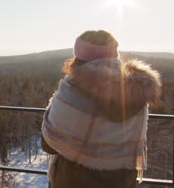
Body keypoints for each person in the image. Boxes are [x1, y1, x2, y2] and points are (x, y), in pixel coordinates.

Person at [41, 30, 162, 188]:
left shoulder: (71, 91)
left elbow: (49, 144)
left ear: (79, 56)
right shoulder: (136, 91)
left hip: (73, 180)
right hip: (121, 180)